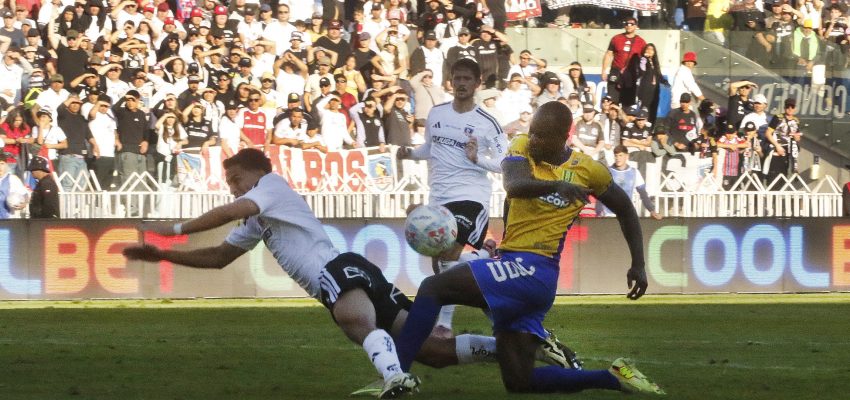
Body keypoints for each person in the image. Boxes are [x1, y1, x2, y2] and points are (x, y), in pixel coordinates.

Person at [121, 148, 573, 399]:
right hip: (353, 270)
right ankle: (523, 346)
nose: (233, 187)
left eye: (235, 179)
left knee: (355, 320)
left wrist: (173, 231)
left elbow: (230, 210)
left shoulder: (270, 186)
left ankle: (395, 380)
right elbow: (220, 256)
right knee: (433, 351)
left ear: (256, 173)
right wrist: (163, 256)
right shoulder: (259, 218)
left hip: (336, 270)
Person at [394, 101, 663, 395]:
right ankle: (612, 377)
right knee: (520, 381)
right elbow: (514, 185)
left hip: (535, 268)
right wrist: (554, 187)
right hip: (515, 266)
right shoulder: (521, 146)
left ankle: (395, 375)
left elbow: (626, 209)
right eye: (532, 132)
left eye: (541, 136)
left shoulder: (589, 170)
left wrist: (639, 263)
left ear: (563, 138)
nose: (533, 139)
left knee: (433, 288)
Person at [398, 58, 509, 338]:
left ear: (477, 83)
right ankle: (484, 260)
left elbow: (505, 163)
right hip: (439, 198)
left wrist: (477, 159)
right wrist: (410, 153)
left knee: (448, 254)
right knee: (442, 264)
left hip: (471, 197)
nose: (461, 83)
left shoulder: (488, 122)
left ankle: (444, 325)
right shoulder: (436, 113)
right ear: (450, 81)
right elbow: (429, 148)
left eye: (467, 79)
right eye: (457, 78)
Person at [598, 145, 662, 219]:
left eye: (620, 155)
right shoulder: (607, 172)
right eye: (616, 156)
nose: (618, 158)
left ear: (627, 156)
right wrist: (599, 212)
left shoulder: (634, 172)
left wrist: (652, 211)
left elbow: (643, 194)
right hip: (608, 215)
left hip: (626, 215)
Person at [600, 17, 646, 106]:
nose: (629, 26)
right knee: (612, 101)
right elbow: (609, 54)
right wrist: (604, 71)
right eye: (626, 24)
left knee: (627, 103)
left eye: (631, 24)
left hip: (630, 74)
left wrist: (642, 75)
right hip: (616, 71)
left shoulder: (641, 42)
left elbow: (643, 60)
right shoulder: (616, 38)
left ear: (636, 26)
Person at [763, 98, 802, 187]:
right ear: (784, 107)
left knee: (783, 177)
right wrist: (777, 146)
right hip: (777, 151)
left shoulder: (796, 121)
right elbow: (768, 133)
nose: (790, 108)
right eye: (788, 106)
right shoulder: (778, 117)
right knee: (774, 177)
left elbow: (797, 138)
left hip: (789, 153)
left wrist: (797, 138)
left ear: (795, 108)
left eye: (792, 106)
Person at [0, 151, 28, 218]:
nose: (0, 167)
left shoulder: (13, 179)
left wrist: (23, 204)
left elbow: (25, 194)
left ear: (6, 165)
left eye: (2, 164)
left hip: (9, 219)